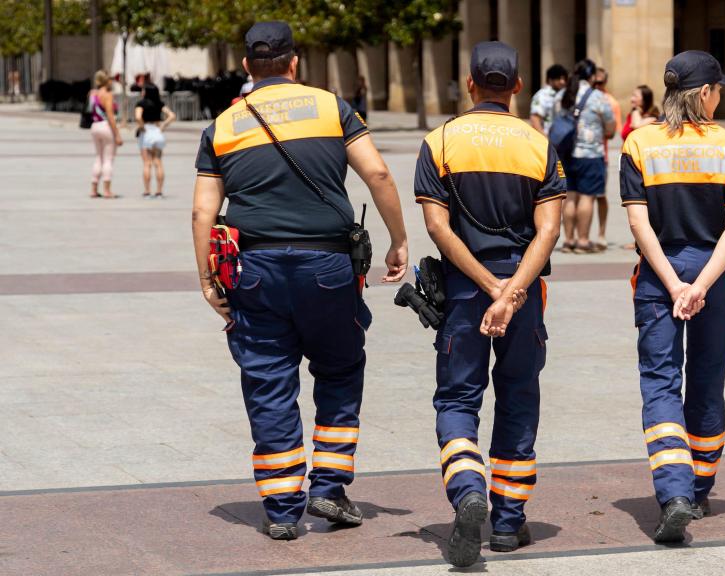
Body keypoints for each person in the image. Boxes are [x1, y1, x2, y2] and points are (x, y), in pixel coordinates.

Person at [191, 21, 409, 541]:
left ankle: (282, 508)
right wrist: (400, 239)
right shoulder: (332, 108)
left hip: (255, 270)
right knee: (338, 370)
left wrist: (206, 279)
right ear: (294, 63)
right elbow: (377, 174)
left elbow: (204, 210)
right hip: (328, 269)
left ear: (247, 67)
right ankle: (329, 488)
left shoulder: (223, 125)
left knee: (268, 380)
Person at [413, 41, 565, 567]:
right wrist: (514, 290)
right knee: (519, 396)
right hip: (525, 294)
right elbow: (549, 230)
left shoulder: (440, 142)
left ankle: (468, 488)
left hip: (462, 293)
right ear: (518, 87)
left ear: (471, 83)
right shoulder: (539, 145)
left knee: (457, 400)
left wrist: (487, 286)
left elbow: (437, 226)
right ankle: (507, 522)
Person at [619, 50, 725, 544]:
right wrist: (700, 285)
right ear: (704, 94)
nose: (720, 97)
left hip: (659, 275)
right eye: (719, 90)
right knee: (706, 378)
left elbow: (638, 222)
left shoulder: (640, 143)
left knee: (660, 382)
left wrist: (674, 283)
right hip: (713, 272)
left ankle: (673, 493)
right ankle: (700, 489)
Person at [555, 59, 615, 254]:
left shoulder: (563, 94)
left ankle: (568, 240)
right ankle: (582, 240)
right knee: (587, 197)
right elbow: (610, 126)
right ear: (591, 77)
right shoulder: (598, 97)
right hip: (590, 153)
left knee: (570, 196)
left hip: (566, 153)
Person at [593, 67, 620, 251]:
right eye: (595, 83)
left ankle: (601, 234)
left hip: (600, 154)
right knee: (580, 197)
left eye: (601, 83)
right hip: (582, 155)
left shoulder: (610, 102)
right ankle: (580, 236)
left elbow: (613, 130)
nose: (598, 86)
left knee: (600, 196)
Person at [134, 85, 176, 198]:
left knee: (147, 163)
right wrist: (163, 126)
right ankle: (159, 191)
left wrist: (142, 127)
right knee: (158, 162)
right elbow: (172, 115)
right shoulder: (159, 103)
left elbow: (138, 117)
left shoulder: (140, 104)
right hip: (157, 132)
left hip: (146, 132)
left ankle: (147, 191)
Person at [87, 70, 123, 199]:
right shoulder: (107, 95)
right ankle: (107, 190)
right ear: (106, 81)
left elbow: (90, 110)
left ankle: (94, 188)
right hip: (105, 126)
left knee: (98, 158)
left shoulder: (92, 93)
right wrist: (117, 134)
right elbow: (110, 115)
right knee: (108, 159)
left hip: (95, 126)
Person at [529, 64, 567, 133]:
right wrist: (546, 139)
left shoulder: (561, 94)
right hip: (546, 139)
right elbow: (535, 119)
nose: (562, 82)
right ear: (550, 79)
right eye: (559, 79)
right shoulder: (542, 95)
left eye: (564, 79)